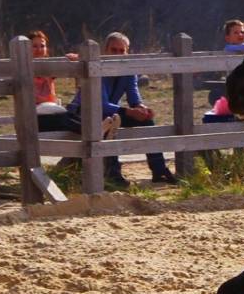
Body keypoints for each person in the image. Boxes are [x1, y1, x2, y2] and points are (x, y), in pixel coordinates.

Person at [56, 31, 175, 188]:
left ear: (127, 52)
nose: (118, 54)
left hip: (111, 112)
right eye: (114, 50)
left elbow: (134, 97)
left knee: (147, 120)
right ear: (105, 50)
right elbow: (100, 103)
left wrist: (142, 108)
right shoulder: (97, 67)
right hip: (84, 112)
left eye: (122, 50)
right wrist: (129, 111)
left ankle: (159, 170)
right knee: (108, 124)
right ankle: (113, 174)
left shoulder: (129, 70)